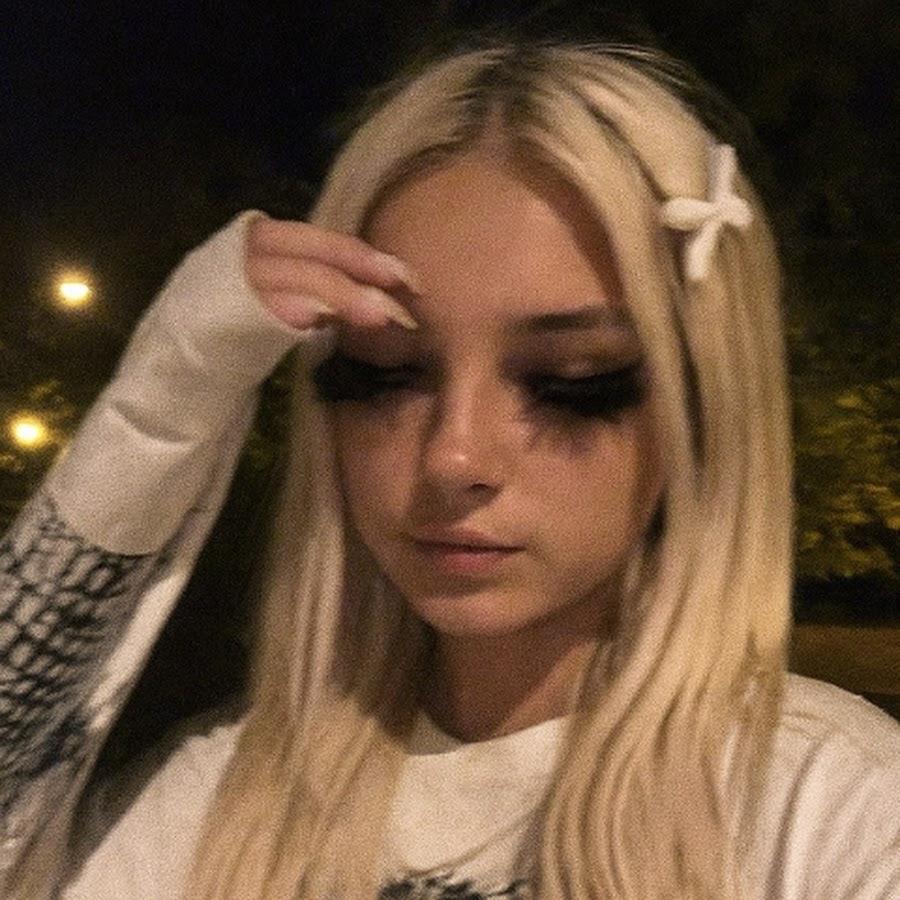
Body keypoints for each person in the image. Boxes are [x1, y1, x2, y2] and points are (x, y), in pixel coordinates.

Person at [1, 39, 898, 900]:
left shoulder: (836, 813)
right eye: (385, 375)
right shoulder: (216, 798)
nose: (453, 456)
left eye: (570, 381)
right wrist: (160, 408)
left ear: (705, 406)